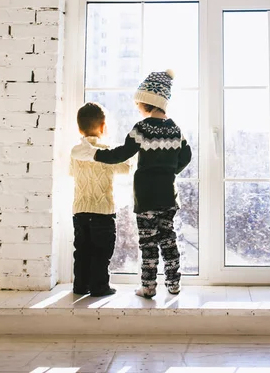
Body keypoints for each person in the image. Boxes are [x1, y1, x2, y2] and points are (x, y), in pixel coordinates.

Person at [73, 69, 192, 298]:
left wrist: (95, 155)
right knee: (168, 240)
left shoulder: (142, 128)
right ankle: (174, 284)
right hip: (168, 196)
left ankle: (148, 287)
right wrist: (170, 171)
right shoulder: (176, 129)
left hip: (146, 198)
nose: (137, 107)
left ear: (146, 102)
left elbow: (121, 154)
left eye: (138, 103)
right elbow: (186, 156)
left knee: (148, 243)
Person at [70, 102, 131, 297]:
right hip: (103, 212)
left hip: (80, 210)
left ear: (79, 127)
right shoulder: (107, 150)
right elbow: (126, 168)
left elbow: (71, 172)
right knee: (101, 251)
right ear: (104, 127)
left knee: (81, 250)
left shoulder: (75, 151)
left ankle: (80, 285)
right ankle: (99, 286)